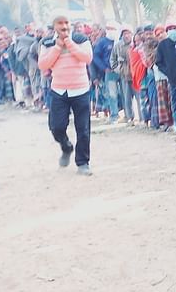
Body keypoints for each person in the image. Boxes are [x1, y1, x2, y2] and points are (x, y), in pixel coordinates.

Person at [38, 13, 94, 176]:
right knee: (56, 127)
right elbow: (43, 65)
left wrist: (68, 42)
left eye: (66, 23)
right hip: (59, 90)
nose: (64, 26)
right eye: (59, 23)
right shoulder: (47, 42)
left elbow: (87, 58)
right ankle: (66, 147)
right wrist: (57, 47)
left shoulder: (81, 39)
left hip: (81, 90)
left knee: (83, 129)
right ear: (54, 26)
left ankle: (83, 163)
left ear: (70, 24)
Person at [94, 21, 119, 123]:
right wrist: (104, 68)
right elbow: (95, 57)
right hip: (110, 72)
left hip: (122, 72)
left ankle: (128, 115)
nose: (111, 31)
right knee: (112, 94)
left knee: (125, 94)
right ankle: (114, 115)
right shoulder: (102, 42)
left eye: (113, 28)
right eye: (109, 28)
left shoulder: (119, 41)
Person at [111, 25, 135, 124]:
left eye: (128, 33)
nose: (126, 36)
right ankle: (129, 117)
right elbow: (113, 60)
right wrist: (119, 70)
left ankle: (141, 118)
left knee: (139, 99)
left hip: (136, 75)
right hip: (124, 76)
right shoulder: (117, 46)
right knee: (126, 98)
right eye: (124, 34)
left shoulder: (135, 44)